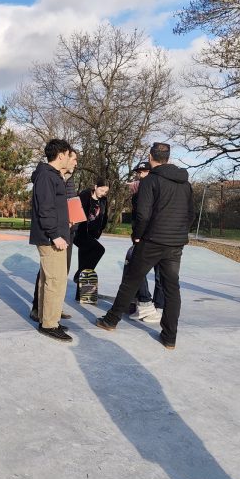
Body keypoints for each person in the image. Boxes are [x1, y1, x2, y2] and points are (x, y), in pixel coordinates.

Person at [96, 143, 195, 349]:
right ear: (167, 157)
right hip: (175, 243)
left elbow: (142, 214)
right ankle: (169, 338)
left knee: (131, 279)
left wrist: (137, 236)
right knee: (171, 288)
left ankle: (111, 320)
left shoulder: (151, 180)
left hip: (152, 240)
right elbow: (190, 214)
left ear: (151, 157)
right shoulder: (185, 183)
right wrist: (179, 233)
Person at [29, 138, 74, 343]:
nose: (69, 158)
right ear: (61, 155)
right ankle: (49, 325)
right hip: (51, 238)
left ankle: (45, 318)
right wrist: (55, 235)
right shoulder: (46, 176)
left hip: (52, 235)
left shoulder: (51, 175)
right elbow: (45, 208)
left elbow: (54, 207)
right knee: (56, 282)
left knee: (48, 281)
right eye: (68, 154)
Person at [127, 161, 165, 322]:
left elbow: (144, 215)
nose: (140, 175)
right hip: (145, 235)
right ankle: (143, 301)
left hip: (151, 236)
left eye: (143, 172)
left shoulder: (155, 188)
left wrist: (137, 235)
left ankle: (150, 303)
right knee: (133, 262)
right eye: (139, 173)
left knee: (150, 270)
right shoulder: (140, 190)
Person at [72, 177, 109, 297]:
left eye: (105, 192)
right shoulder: (84, 195)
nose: (103, 193)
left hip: (92, 235)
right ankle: (79, 274)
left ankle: (81, 295)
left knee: (84, 261)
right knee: (99, 250)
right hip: (81, 234)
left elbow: (105, 216)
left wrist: (100, 230)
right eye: (101, 190)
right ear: (95, 187)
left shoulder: (103, 200)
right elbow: (76, 211)